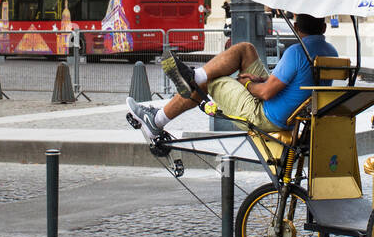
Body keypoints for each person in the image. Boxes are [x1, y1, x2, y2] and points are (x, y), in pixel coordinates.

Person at [127, 13, 339, 141]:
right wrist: (262, 81)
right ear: (323, 27)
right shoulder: (331, 52)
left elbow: (265, 93)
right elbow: (292, 84)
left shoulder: (297, 52)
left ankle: (156, 120)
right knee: (245, 50)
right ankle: (194, 75)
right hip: (293, 113)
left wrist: (248, 84)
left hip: (267, 116)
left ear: (295, 27)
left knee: (209, 82)